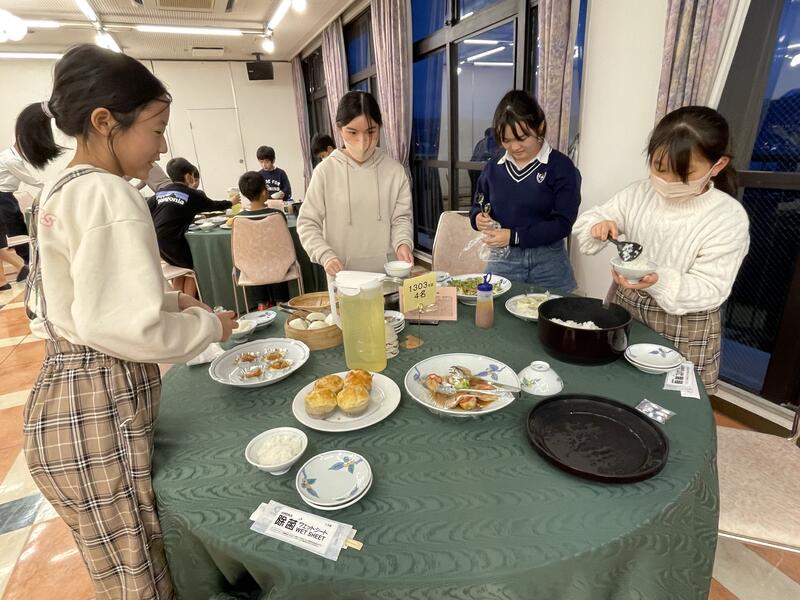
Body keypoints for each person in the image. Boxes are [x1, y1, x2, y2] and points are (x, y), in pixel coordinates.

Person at [17, 44, 237, 600]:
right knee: (142, 578)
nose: (162, 146)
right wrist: (212, 328)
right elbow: (126, 329)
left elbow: (89, 299)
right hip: (98, 408)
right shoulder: (108, 193)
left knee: (120, 571)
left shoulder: (63, 186)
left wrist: (173, 303)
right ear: (104, 122)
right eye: (156, 129)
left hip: (62, 399)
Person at [573, 106, 750, 393]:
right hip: (627, 306)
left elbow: (711, 288)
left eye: (684, 173)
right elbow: (589, 221)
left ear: (717, 166)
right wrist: (599, 225)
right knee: (617, 388)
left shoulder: (727, 217)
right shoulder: (638, 193)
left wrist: (658, 280)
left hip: (685, 321)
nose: (667, 182)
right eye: (659, 168)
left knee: (675, 404)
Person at [469, 90, 581, 292]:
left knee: (555, 310)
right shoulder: (493, 168)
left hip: (549, 261)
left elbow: (563, 224)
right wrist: (477, 217)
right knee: (492, 307)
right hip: (503, 258)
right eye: (506, 140)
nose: (514, 147)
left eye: (522, 138)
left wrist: (515, 236)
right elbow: (479, 204)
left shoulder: (561, 167)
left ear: (540, 127)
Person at [297, 91, 413, 275]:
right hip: (344, 276)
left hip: (388, 275)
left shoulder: (395, 171)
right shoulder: (325, 172)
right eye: (352, 132)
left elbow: (401, 218)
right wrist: (325, 255)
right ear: (339, 129)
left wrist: (403, 243)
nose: (363, 141)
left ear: (380, 127)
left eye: (371, 131)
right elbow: (307, 223)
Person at [147, 157, 240, 297]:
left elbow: (147, 210)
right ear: (188, 176)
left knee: (180, 269)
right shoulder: (191, 194)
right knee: (194, 267)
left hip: (156, 241)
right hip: (173, 240)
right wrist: (231, 202)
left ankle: (179, 303)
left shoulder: (160, 193)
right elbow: (213, 206)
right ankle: (191, 303)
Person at [234, 171, 290, 306]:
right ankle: (281, 302)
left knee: (253, 260)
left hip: (252, 269)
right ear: (265, 192)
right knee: (277, 257)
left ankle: (261, 304)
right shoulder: (277, 215)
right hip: (278, 267)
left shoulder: (238, 219)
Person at [0, 140, 43, 264]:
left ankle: (27, 263)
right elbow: (30, 179)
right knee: (16, 230)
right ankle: (27, 263)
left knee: (16, 227)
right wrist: (52, 186)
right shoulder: (11, 159)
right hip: (3, 197)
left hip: (6, 196)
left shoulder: (8, 155)